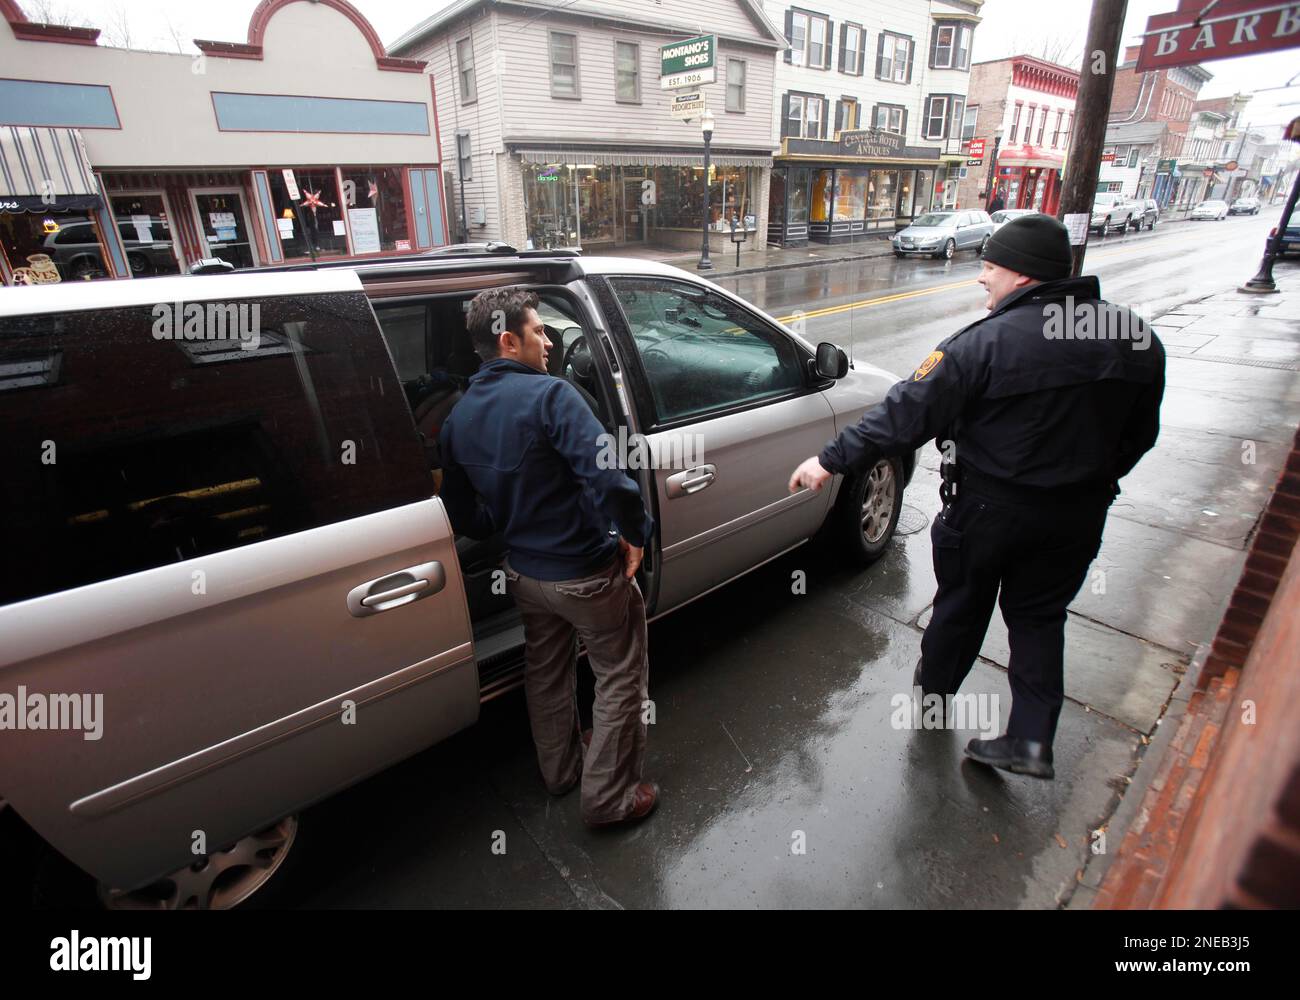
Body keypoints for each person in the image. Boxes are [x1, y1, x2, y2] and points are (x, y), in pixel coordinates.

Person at [789, 215, 1165, 779]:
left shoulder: (982, 343)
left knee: (962, 606)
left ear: (1021, 274)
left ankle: (934, 699)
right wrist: (1090, 482)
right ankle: (1031, 741)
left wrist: (828, 460)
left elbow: (903, 416)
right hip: (1077, 515)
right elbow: (1141, 435)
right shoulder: (1134, 337)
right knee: (1039, 618)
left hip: (988, 510)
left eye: (989, 266)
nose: (981, 277)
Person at [439, 287, 659, 825]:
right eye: (540, 331)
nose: (549, 340)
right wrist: (635, 532)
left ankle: (561, 773)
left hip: (525, 576)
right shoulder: (553, 397)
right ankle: (609, 799)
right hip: (585, 573)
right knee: (620, 675)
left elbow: (463, 512)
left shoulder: (458, 418)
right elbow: (610, 476)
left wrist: (504, 521)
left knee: (547, 671)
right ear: (509, 339)